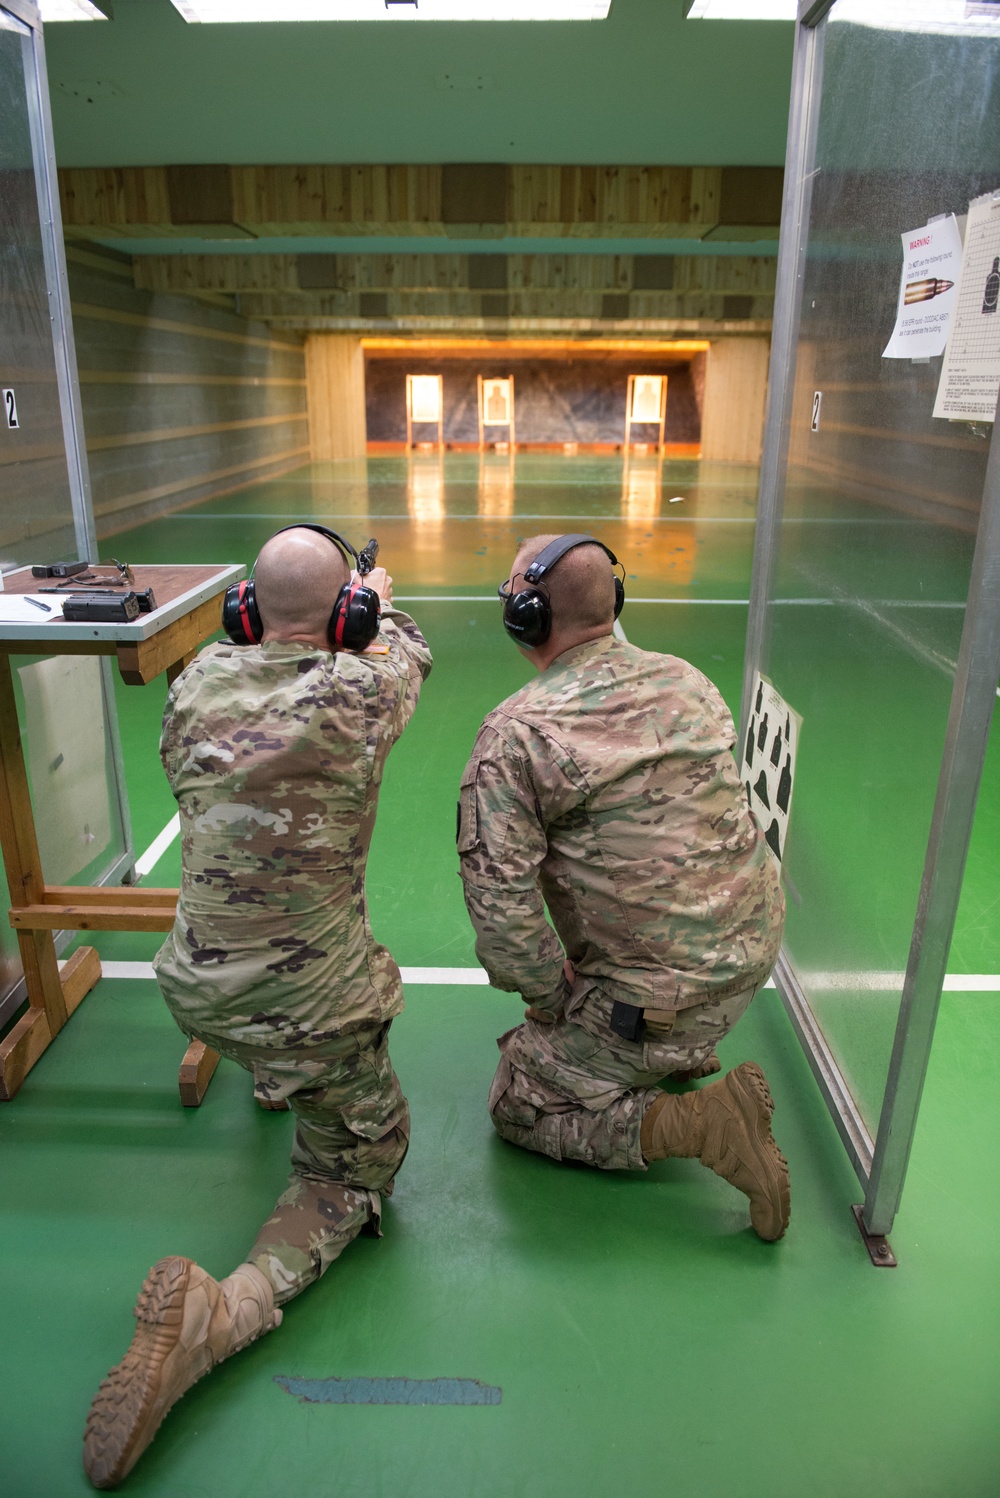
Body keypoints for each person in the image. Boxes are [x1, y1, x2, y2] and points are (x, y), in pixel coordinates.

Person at [83, 526, 432, 1490]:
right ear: (348, 617)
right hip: (308, 1004)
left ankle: (275, 1071)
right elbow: (406, 649)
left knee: (289, 986)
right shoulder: (363, 687)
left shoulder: (195, 683)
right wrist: (379, 601)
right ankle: (222, 1313)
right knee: (360, 1168)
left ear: (241, 611)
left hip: (194, 989)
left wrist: (327, 612)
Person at [457, 533, 789, 1241]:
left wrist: (552, 996)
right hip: (757, 947)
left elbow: (503, 918)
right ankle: (679, 1048)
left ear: (528, 617)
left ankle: (705, 1124)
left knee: (520, 1100)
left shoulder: (516, 735)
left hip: (664, 995)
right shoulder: (686, 677)